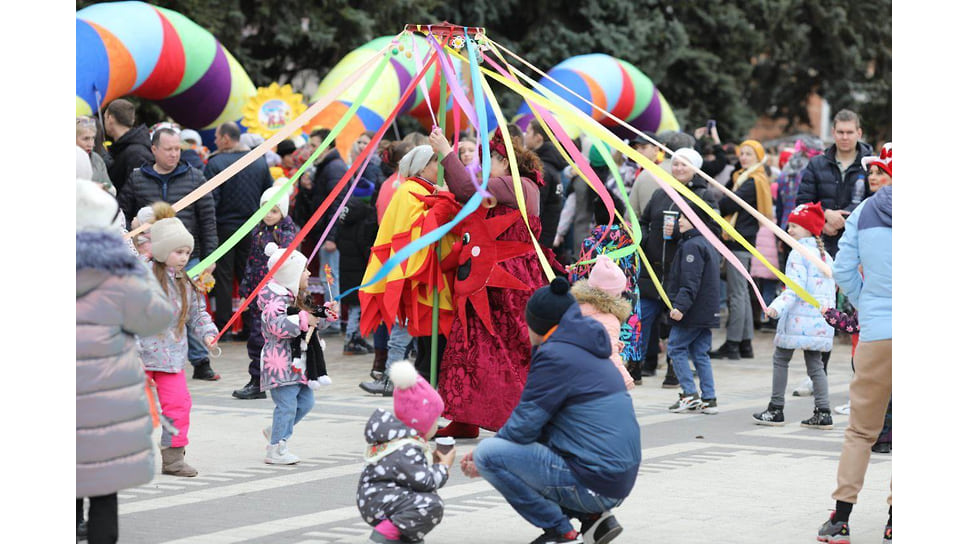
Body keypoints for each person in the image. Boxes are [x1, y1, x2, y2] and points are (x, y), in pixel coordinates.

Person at [461, 277, 640, 544]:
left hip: (597, 481)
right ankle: (594, 518)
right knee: (528, 446)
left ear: (538, 324)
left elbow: (524, 424)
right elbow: (543, 425)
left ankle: (561, 531)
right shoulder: (588, 347)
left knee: (490, 454)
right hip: (615, 477)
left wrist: (482, 457)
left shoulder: (556, 355)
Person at [433, 127, 550, 439]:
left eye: (490, 161)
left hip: (509, 282)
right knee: (469, 345)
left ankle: (518, 420)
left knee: (505, 350)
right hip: (487, 277)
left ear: (505, 161)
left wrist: (445, 150)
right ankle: (464, 417)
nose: (484, 168)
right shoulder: (509, 185)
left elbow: (464, 187)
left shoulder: (516, 185)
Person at [77, 179, 173, 544]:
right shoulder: (117, 274)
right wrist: (136, 272)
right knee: (104, 495)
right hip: (108, 406)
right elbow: (156, 318)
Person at [817, 143, 891, 544]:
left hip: (877, 333)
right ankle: (897, 518)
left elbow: (842, 269)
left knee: (861, 430)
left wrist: (867, 304)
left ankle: (841, 519)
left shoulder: (863, 214)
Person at [357, 144, 459, 396]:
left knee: (433, 344)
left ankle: (423, 396)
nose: (442, 167)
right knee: (429, 344)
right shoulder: (409, 191)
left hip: (438, 280)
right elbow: (419, 234)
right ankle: (418, 399)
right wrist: (445, 201)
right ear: (424, 166)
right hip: (422, 284)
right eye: (438, 162)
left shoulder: (426, 189)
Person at [140, 217, 219, 477]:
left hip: (172, 359)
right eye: (178, 252)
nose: (184, 257)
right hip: (138, 357)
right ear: (162, 251)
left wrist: (208, 334)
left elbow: (198, 313)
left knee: (178, 406)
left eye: (187, 252)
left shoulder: (186, 282)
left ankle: (173, 460)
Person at [636, 148, 719, 385]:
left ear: (695, 168)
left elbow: (713, 233)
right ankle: (635, 366)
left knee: (677, 320)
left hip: (681, 271)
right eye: (675, 164)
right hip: (652, 269)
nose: (679, 169)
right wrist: (641, 235)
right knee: (641, 318)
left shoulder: (704, 196)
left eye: (684, 165)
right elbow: (643, 220)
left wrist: (683, 235)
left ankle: (674, 370)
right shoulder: (660, 193)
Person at [751, 202, 836, 428]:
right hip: (820, 321)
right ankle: (823, 411)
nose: (789, 231)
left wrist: (776, 308)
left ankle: (775, 408)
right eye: (789, 226)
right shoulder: (825, 256)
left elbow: (795, 287)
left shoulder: (798, 254)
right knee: (815, 365)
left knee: (781, 359)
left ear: (808, 229)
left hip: (797, 319)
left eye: (795, 226)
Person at [358, 361, 454, 543]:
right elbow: (425, 482)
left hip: (378, 498)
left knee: (424, 501)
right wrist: (443, 466)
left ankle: (404, 536)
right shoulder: (406, 447)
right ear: (423, 421)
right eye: (435, 420)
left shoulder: (400, 439)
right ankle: (386, 534)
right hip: (380, 501)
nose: (436, 426)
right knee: (431, 504)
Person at [204, 121, 275, 335]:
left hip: (224, 227)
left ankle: (224, 326)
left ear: (226, 139)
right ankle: (250, 325)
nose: (215, 141)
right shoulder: (259, 162)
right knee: (249, 275)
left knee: (224, 277)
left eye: (217, 137)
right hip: (252, 227)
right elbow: (268, 195)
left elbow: (210, 200)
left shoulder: (215, 163)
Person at [232, 184, 300, 400]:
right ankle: (257, 380)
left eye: (273, 210)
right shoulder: (258, 231)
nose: (268, 215)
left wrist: (272, 243)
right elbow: (251, 262)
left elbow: (288, 261)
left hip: (276, 295)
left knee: (276, 339)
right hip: (256, 293)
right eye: (265, 209)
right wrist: (245, 288)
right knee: (255, 337)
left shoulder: (287, 232)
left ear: (283, 211)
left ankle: (282, 379)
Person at [711, 139, 772, 360]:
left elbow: (728, 204)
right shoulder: (745, 178)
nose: (743, 157)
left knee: (735, 294)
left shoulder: (752, 181)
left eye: (749, 154)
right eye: (742, 154)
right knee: (742, 293)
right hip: (743, 238)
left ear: (758, 157)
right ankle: (745, 344)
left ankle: (733, 343)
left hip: (739, 239)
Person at [258, 242, 319, 464]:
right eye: (304, 269)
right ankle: (276, 448)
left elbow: (311, 321)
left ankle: (276, 430)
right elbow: (276, 325)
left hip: (296, 362)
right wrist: (304, 319)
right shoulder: (275, 300)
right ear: (291, 273)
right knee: (287, 405)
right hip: (279, 362)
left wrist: (324, 315)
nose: (309, 273)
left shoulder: (297, 296)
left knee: (306, 401)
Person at [664, 200, 723, 414]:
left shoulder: (692, 245)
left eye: (684, 217)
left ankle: (689, 394)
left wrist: (680, 306)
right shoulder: (706, 242)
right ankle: (709, 397)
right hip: (706, 310)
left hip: (693, 311)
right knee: (700, 353)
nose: (679, 221)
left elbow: (691, 281)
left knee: (676, 348)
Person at [795, 109, 874, 257]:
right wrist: (824, 217)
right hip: (820, 246)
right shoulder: (816, 164)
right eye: (840, 132)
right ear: (833, 132)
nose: (844, 137)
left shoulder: (872, 165)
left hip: (858, 247)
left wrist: (843, 220)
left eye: (849, 132)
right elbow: (803, 203)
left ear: (859, 133)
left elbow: (875, 202)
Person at [570, 255, 636, 389]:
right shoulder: (608, 319)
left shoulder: (576, 308)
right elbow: (610, 352)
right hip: (595, 379)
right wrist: (625, 380)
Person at [307, 128, 350, 332]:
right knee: (328, 275)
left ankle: (333, 318)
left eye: (314, 146)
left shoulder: (334, 168)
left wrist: (331, 236)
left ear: (328, 146)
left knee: (330, 275)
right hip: (325, 231)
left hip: (330, 234)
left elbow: (337, 204)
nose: (311, 150)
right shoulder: (327, 166)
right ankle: (332, 315)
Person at [337, 189, 380, 356]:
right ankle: (351, 339)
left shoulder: (344, 223)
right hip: (360, 272)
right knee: (357, 307)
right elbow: (364, 248)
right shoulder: (362, 225)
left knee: (355, 306)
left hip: (346, 270)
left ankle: (356, 337)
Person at [524, 118, 565, 250]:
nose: (525, 135)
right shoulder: (550, 165)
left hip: (537, 240)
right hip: (544, 238)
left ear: (538, 138)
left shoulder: (542, 170)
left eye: (528, 132)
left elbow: (536, 208)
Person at [103, 99, 154, 194]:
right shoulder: (123, 147)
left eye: (105, 118)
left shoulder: (136, 153)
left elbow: (139, 191)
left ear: (110, 119)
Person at [626, 132, 663, 220]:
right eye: (636, 148)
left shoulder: (663, 171)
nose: (638, 151)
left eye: (643, 147)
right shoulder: (639, 170)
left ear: (656, 150)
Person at [77, 116, 114, 194]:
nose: (91, 144)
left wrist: (104, 187)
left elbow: (111, 189)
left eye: (93, 138)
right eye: (86, 139)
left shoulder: (97, 159)